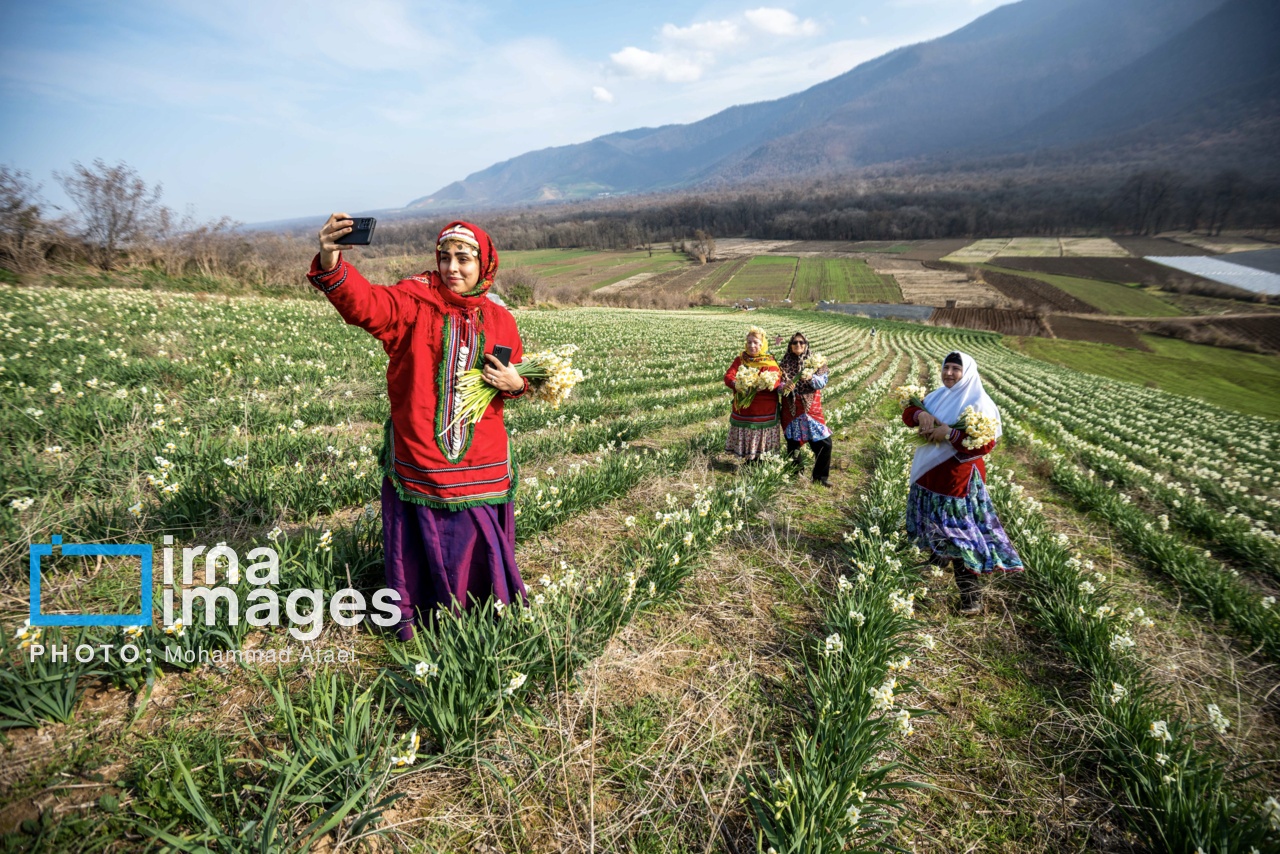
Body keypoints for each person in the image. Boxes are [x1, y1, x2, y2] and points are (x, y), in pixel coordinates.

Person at [309, 214, 528, 640]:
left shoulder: (501, 317)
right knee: (424, 537)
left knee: (477, 538)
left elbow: (516, 376)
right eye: (444, 257)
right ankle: (425, 617)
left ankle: (484, 613)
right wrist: (330, 257)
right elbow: (365, 304)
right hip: (421, 451)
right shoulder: (414, 302)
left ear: (484, 264)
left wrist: (516, 383)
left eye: (463, 259)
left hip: (481, 454)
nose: (452, 268)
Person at [902, 351, 1023, 614]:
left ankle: (971, 598)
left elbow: (986, 444)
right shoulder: (937, 396)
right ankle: (933, 568)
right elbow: (910, 410)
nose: (949, 373)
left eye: (956, 369)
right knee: (935, 523)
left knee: (960, 535)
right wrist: (918, 416)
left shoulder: (979, 402)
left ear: (967, 372)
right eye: (946, 367)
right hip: (929, 474)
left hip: (957, 480)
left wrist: (951, 433)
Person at [778, 331, 832, 486]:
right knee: (793, 444)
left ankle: (820, 478)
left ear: (806, 345)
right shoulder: (784, 364)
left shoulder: (816, 363)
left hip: (811, 409)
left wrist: (811, 377)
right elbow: (777, 386)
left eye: (802, 342)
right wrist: (785, 386)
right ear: (790, 346)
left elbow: (822, 382)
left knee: (824, 443)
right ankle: (795, 475)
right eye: (795, 342)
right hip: (791, 409)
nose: (798, 345)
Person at [723, 326, 781, 462]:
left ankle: (761, 461)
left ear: (762, 344)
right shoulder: (741, 360)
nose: (752, 345)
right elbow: (728, 376)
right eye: (749, 342)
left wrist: (764, 385)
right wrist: (737, 384)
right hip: (744, 408)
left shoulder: (769, 361)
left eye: (755, 342)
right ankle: (748, 459)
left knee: (760, 435)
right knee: (747, 432)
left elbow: (777, 380)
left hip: (764, 409)